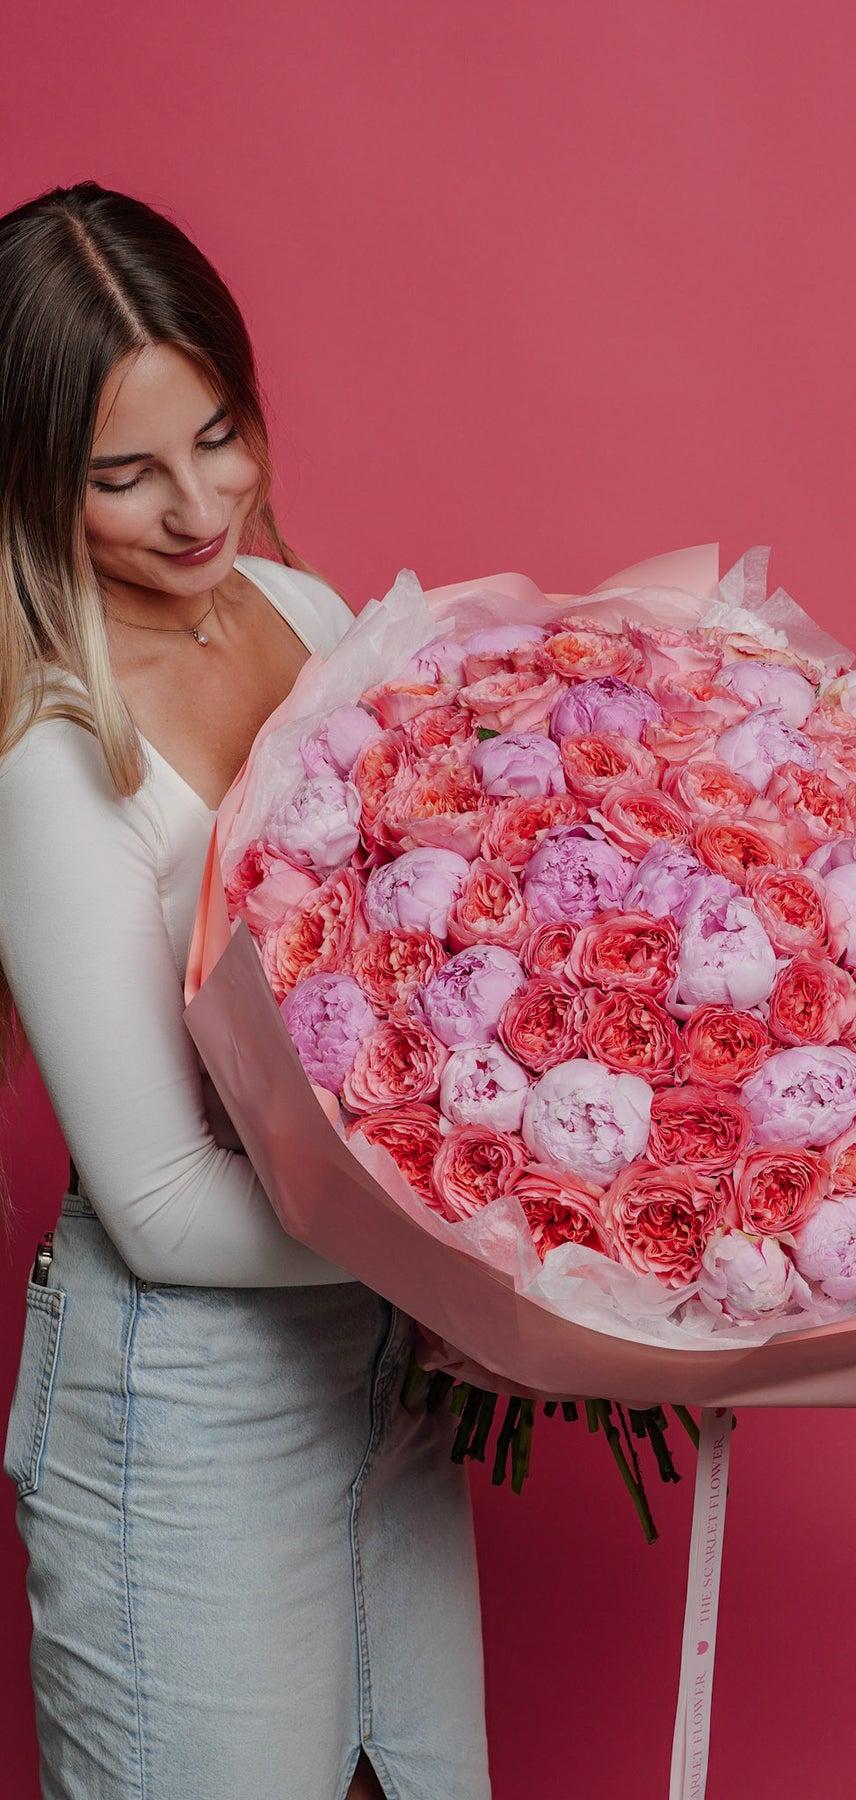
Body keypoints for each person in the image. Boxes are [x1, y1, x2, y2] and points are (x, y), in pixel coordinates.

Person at [0, 182, 491, 1800]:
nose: (199, 505)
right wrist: (493, 1266)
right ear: (26, 477)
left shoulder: (305, 614)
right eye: (122, 476)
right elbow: (155, 1204)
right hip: (184, 1405)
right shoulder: (53, 753)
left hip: (383, 1369)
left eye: (219, 435)